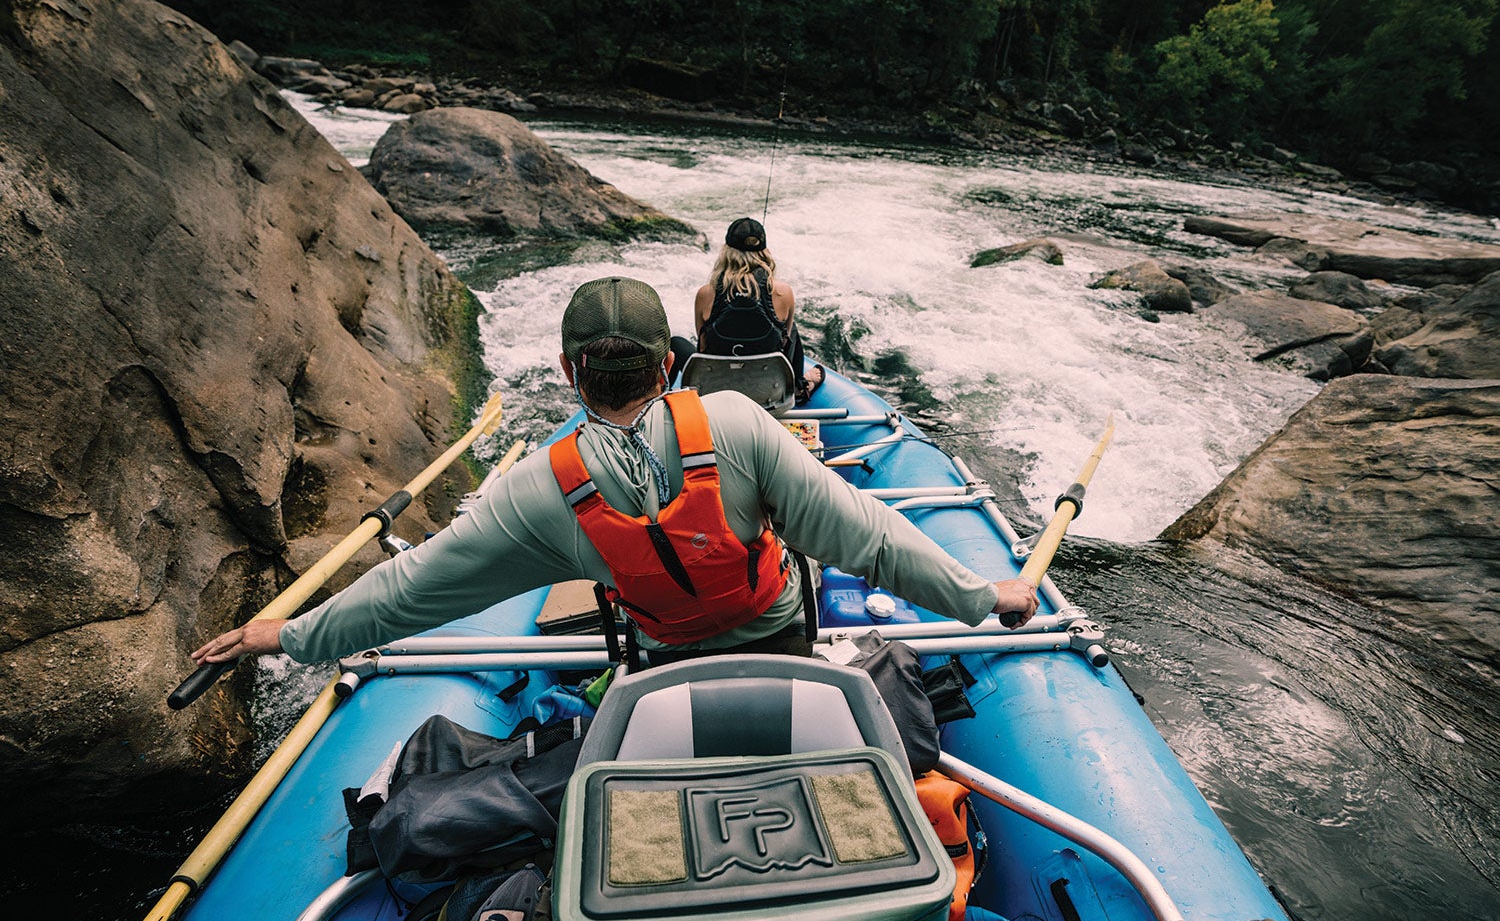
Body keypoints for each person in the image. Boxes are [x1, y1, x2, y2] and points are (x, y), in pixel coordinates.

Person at [193, 276, 1037, 670]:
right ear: (670, 363)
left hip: (665, 663)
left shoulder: (536, 491)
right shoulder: (740, 425)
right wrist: (983, 596)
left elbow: (414, 587)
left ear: (570, 374)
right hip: (780, 643)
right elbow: (870, 537)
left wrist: (287, 635)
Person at [677, 217, 824, 405]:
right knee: (790, 329)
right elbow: (784, 341)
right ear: (764, 252)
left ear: (726, 252)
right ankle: (798, 386)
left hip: (715, 393)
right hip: (768, 393)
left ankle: (657, 404)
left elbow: (703, 345)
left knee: (676, 342)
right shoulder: (783, 292)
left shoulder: (706, 293)